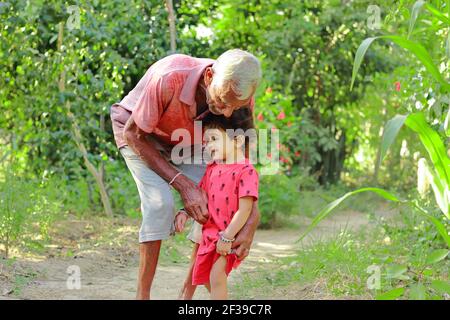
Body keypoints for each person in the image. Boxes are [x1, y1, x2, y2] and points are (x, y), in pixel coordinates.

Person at [109, 49, 262, 299]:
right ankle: (142, 295)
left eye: (234, 107)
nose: (226, 113)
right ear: (209, 76)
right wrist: (183, 185)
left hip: (188, 141)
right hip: (138, 134)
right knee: (160, 205)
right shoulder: (170, 77)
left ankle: (185, 297)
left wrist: (252, 220)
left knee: (213, 203)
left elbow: (241, 166)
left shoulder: (239, 98)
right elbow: (133, 133)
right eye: (222, 102)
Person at [175, 113, 259, 299]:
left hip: (227, 236)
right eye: (206, 141)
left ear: (236, 141)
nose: (208, 145)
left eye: (214, 139)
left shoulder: (246, 171)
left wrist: (228, 237)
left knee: (216, 277)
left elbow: (245, 209)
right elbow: (200, 196)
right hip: (208, 236)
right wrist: (184, 212)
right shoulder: (212, 168)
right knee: (203, 276)